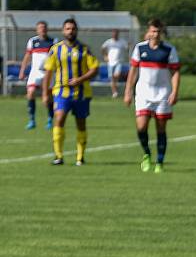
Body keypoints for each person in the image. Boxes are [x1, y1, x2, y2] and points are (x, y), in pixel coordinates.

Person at [124, 19, 180, 173]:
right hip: (143, 93)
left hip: (163, 94)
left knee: (161, 129)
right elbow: (133, 71)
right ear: (148, 32)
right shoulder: (139, 48)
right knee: (141, 126)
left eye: (158, 31)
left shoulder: (169, 50)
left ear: (161, 33)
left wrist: (175, 91)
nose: (155, 34)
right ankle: (147, 154)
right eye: (153, 31)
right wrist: (128, 91)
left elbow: (175, 72)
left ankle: (160, 162)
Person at [42, 19, 99, 166]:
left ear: (76, 31)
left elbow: (95, 69)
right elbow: (48, 72)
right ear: (63, 31)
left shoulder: (85, 49)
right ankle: (58, 156)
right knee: (59, 119)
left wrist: (80, 79)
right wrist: (45, 93)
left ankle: (80, 157)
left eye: (73, 29)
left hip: (81, 93)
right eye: (67, 29)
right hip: (61, 92)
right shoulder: (56, 49)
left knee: (81, 124)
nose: (70, 31)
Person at [19, 21, 56, 130]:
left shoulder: (53, 41)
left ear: (47, 29)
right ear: (37, 30)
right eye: (40, 28)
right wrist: (22, 70)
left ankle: (50, 119)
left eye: (44, 27)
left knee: (48, 98)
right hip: (35, 72)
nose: (42, 29)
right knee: (30, 93)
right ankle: (32, 120)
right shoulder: (33, 41)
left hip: (48, 73)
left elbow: (56, 57)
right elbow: (27, 56)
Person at [102, 29, 129, 99]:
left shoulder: (122, 41)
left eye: (116, 33)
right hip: (110, 62)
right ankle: (115, 92)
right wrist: (105, 56)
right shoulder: (109, 42)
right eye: (113, 33)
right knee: (112, 78)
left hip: (119, 62)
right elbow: (102, 48)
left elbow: (127, 48)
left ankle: (115, 89)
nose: (115, 35)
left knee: (116, 75)